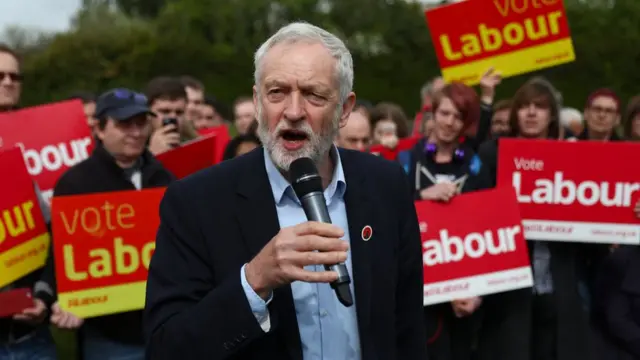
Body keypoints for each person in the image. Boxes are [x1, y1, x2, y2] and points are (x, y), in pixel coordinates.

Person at [144, 21, 428, 360]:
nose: (293, 112)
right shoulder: (195, 203)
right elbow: (167, 349)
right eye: (276, 92)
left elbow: (408, 327)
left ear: (345, 110)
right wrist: (253, 282)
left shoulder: (386, 184)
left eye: (314, 95)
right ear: (257, 101)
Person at [46, 88, 175, 360]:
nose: (136, 132)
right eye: (124, 124)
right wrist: (62, 300)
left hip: (166, 328)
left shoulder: (166, 178)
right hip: (110, 338)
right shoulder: (75, 184)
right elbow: (61, 256)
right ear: (100, 129)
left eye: (141, 123)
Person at [405, 82, 492, 360]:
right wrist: (421, 196)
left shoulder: (475, 165)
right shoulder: (409, 159)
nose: (449, 122)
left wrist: (478, 293)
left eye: (458, 117)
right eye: (444, 113)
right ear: (432, 114)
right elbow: (389, 214)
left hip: (462, 292)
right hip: (416, 287)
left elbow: (490, 228)